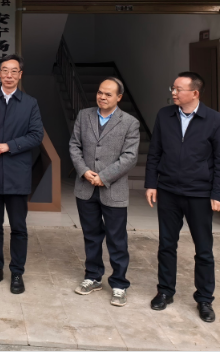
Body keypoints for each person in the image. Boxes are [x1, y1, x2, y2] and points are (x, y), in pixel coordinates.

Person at [145, 72, 220, 323]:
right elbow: (154, 151)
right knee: (166, 245)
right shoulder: (164, 115)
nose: (173, 93)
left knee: (203, 249)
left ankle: (204, 299)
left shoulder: (215, 120)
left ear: (195, 93)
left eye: (178, 89)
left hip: (199, 194)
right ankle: (165, 291)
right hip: (168, 191)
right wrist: (151, 183)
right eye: (172, 88)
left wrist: (218, 193)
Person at [69, 77, 140, 307]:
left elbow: (130, 157)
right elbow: (74, 145)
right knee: (91, 236)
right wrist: (83, 171)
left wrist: (104, 176)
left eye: (108, 94)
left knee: (117, 239)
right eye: (100, 92)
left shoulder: (130, 122)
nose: (102, 97)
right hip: (85, 187)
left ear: (119, 97)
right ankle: (93, 276)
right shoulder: (84, 115)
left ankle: (119, 284)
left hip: (113, 189)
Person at [0, 54, 43, 295]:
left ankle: (17, 271)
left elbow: (36, 135)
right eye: (5, 70)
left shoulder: (30, 103)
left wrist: (9, 145)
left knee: (18, 227)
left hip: (17, 175)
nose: (9, 75)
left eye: (14, 71)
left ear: (20, 75)